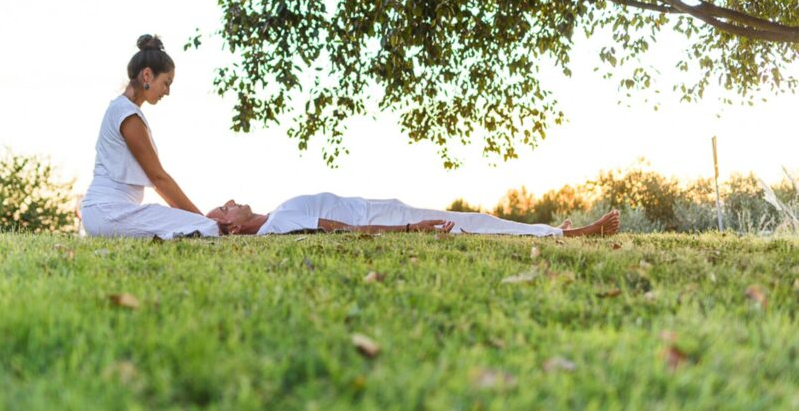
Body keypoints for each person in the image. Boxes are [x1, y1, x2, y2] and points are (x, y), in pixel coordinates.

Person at [80, 35, 219, 239]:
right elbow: (158, 178)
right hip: (107, 213)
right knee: (207, 228)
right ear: (147, 75)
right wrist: (202, 219)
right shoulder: (127, 114)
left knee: (200, 226)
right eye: (166, 82)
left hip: (105, 213)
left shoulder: (122, 109)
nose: (168, 91)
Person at [206, 192, 621, 237]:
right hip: (380, 215)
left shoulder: (275, 216)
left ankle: (544, 230)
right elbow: (339, 229)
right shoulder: (277, 226)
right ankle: (570, 234)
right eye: (224, 208)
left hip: (379, 204)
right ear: (234, 225)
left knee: (474, 219)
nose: (230, 198)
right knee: (471, 223)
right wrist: (408, 228)